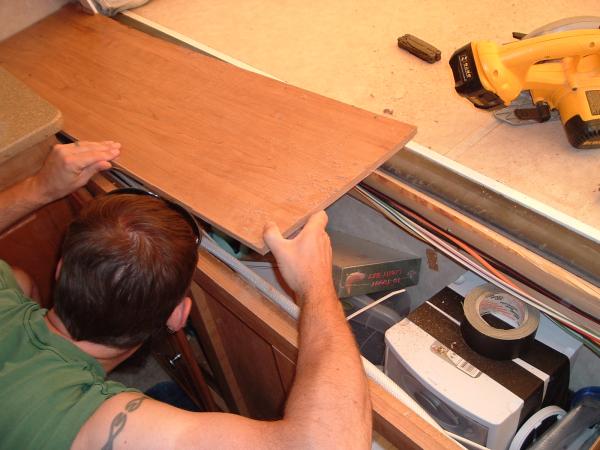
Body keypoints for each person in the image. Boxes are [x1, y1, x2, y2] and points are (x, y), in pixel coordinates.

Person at [0, 140, 371, 449]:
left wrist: (41, 187)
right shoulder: (90, 420)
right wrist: (315, 285)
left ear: (62, 268)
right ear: (178, 317)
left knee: (18, 278)